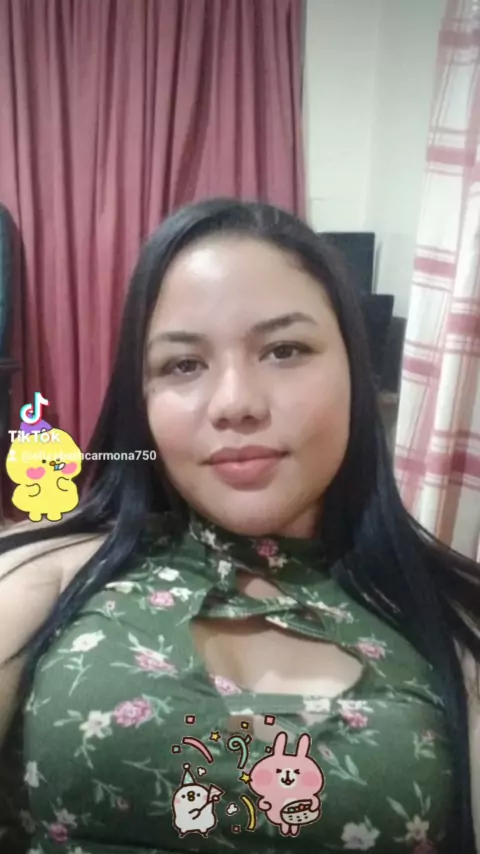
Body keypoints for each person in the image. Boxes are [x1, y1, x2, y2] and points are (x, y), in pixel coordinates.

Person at [0, 197, 479, 854]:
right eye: (183, 364)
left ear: (356, 372)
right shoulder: (48, 575)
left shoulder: (454, 624)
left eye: (284, 350)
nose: (235, 404)